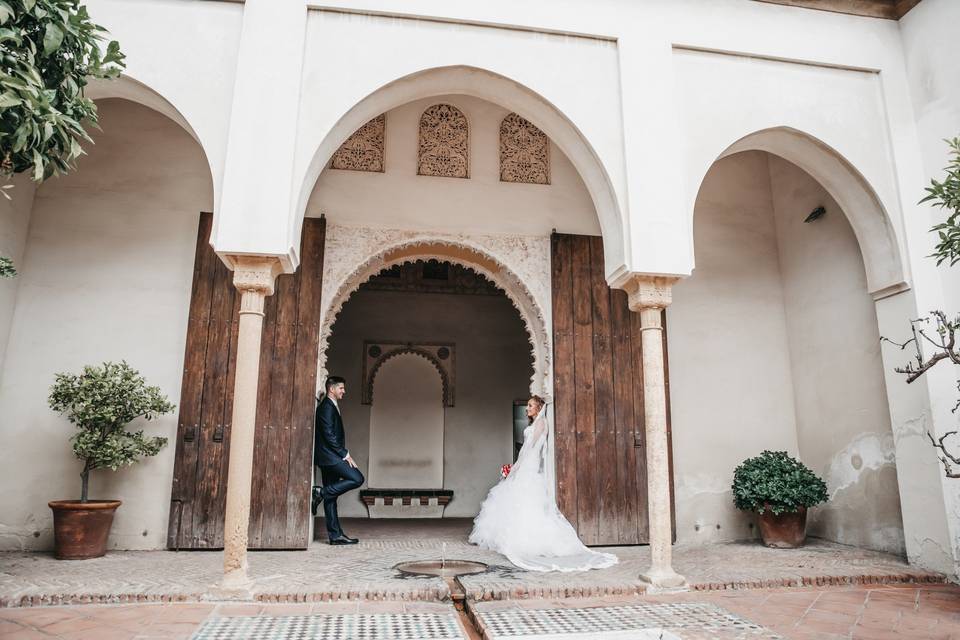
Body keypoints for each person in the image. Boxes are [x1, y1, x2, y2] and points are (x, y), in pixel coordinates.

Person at [469, 395, 618, 572]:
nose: (527, 408)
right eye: (527, 406)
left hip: (529, 467)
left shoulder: (541, 424)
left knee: (524, 501)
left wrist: (514, 468)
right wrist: (514, 467)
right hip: (526, 465)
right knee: (516, 501)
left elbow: (529, 449)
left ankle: (526, 541)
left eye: (531, 405)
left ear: (539, 408)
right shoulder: (535, 424)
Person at [312, 376, 363, 545]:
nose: (344, 391)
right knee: (357, 478)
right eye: (341, 388)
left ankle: (335, 536)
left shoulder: (330, 406)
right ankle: (320, 493)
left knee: (331, 496)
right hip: (330, 456)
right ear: (331, 389)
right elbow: (328, 435)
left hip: (329, 456)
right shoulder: (326, 407)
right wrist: (345, 454)